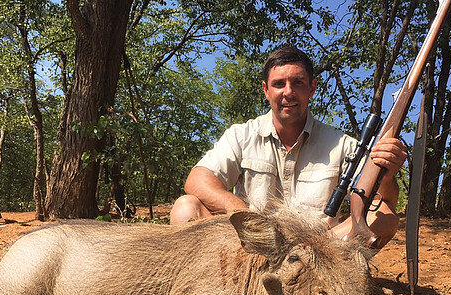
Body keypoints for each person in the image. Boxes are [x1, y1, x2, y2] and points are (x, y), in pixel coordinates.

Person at [170, 46, 407, 246]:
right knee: (185, 208)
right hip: (251, 246)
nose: (288, 92)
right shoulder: (241, 135)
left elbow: (383, 202)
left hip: (320, 250)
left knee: (385, 217)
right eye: (279, 84)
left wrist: (386, 175)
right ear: (266, 90)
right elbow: (196, 180)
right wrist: (240, 211)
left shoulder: (344, 144)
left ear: (312, 88)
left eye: (298, 83)